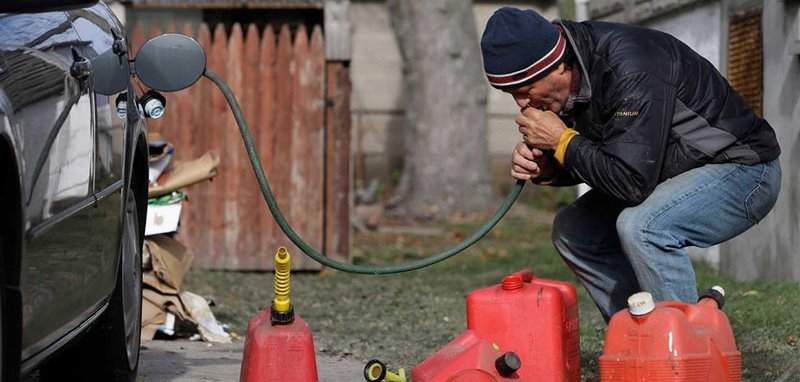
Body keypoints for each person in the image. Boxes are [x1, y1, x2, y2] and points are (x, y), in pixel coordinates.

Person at [480, 7, 781, 321]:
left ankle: (681, 351)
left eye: (526, 91)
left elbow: (630, 182)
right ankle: (636, 336)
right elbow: (609, 161)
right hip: (666, 174)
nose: (522, 104)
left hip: (746, 171)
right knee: (574, 230)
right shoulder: (568, 83)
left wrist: (562, 142)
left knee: (644, 227)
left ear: (558, 67)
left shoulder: (631, 66)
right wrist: (548, 167)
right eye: (511, 94)